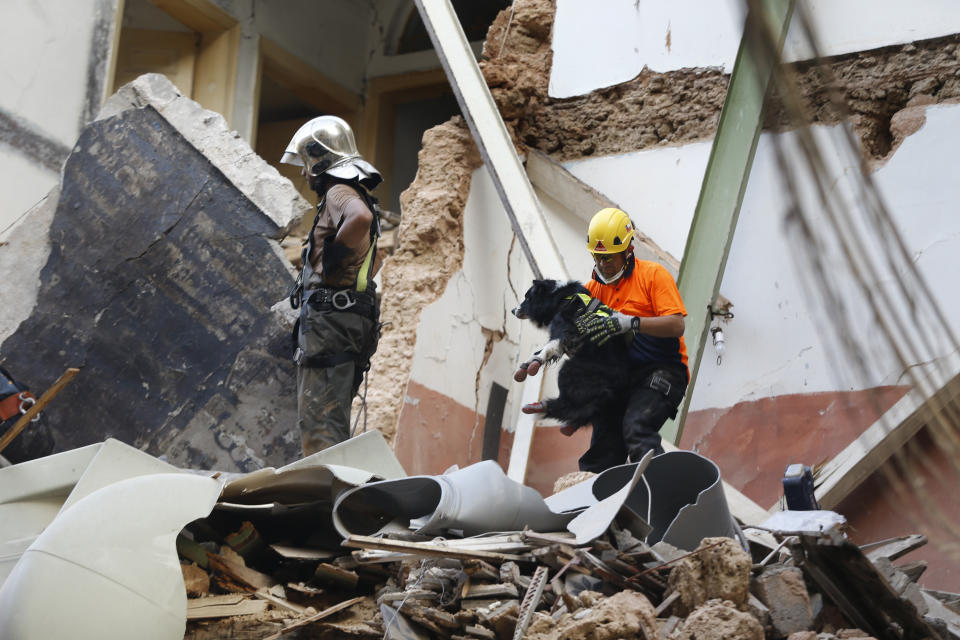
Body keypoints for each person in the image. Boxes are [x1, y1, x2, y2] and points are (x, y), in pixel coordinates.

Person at [281, 115, 384, 456]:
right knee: (329, 422)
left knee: (320, 427)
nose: (303, 172)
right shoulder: (352, 190)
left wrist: (332, 260)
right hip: (341, 323)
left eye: (306, 164)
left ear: (320, 160)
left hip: (330, 324)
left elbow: (360, 218)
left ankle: (325, 503)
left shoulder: (340, 191)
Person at [569, 207, 689, 471]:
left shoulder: (653, 276)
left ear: (628, 251)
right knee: (603, 449)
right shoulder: (590, 292)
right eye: (597, 258)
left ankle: (659, 492)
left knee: (636, 427)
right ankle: (601, 506)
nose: (603, 265)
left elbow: (676, 324)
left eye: (609, 258)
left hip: (662, 371)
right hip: (620, 378)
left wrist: (630, 322)